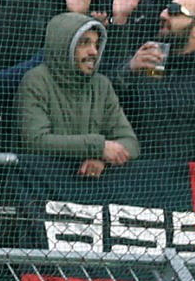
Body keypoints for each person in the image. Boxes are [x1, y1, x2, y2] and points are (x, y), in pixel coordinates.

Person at [19, 9, 140, 178]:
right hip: (43, 181)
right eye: (84, 43)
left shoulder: (101, 85)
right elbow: (36, 141)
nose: (94, 52)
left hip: (91, 185)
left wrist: (101, 159)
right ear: (63, 45)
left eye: (96, 45)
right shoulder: (36, 80)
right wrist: (98, 147)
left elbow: (130, 143)